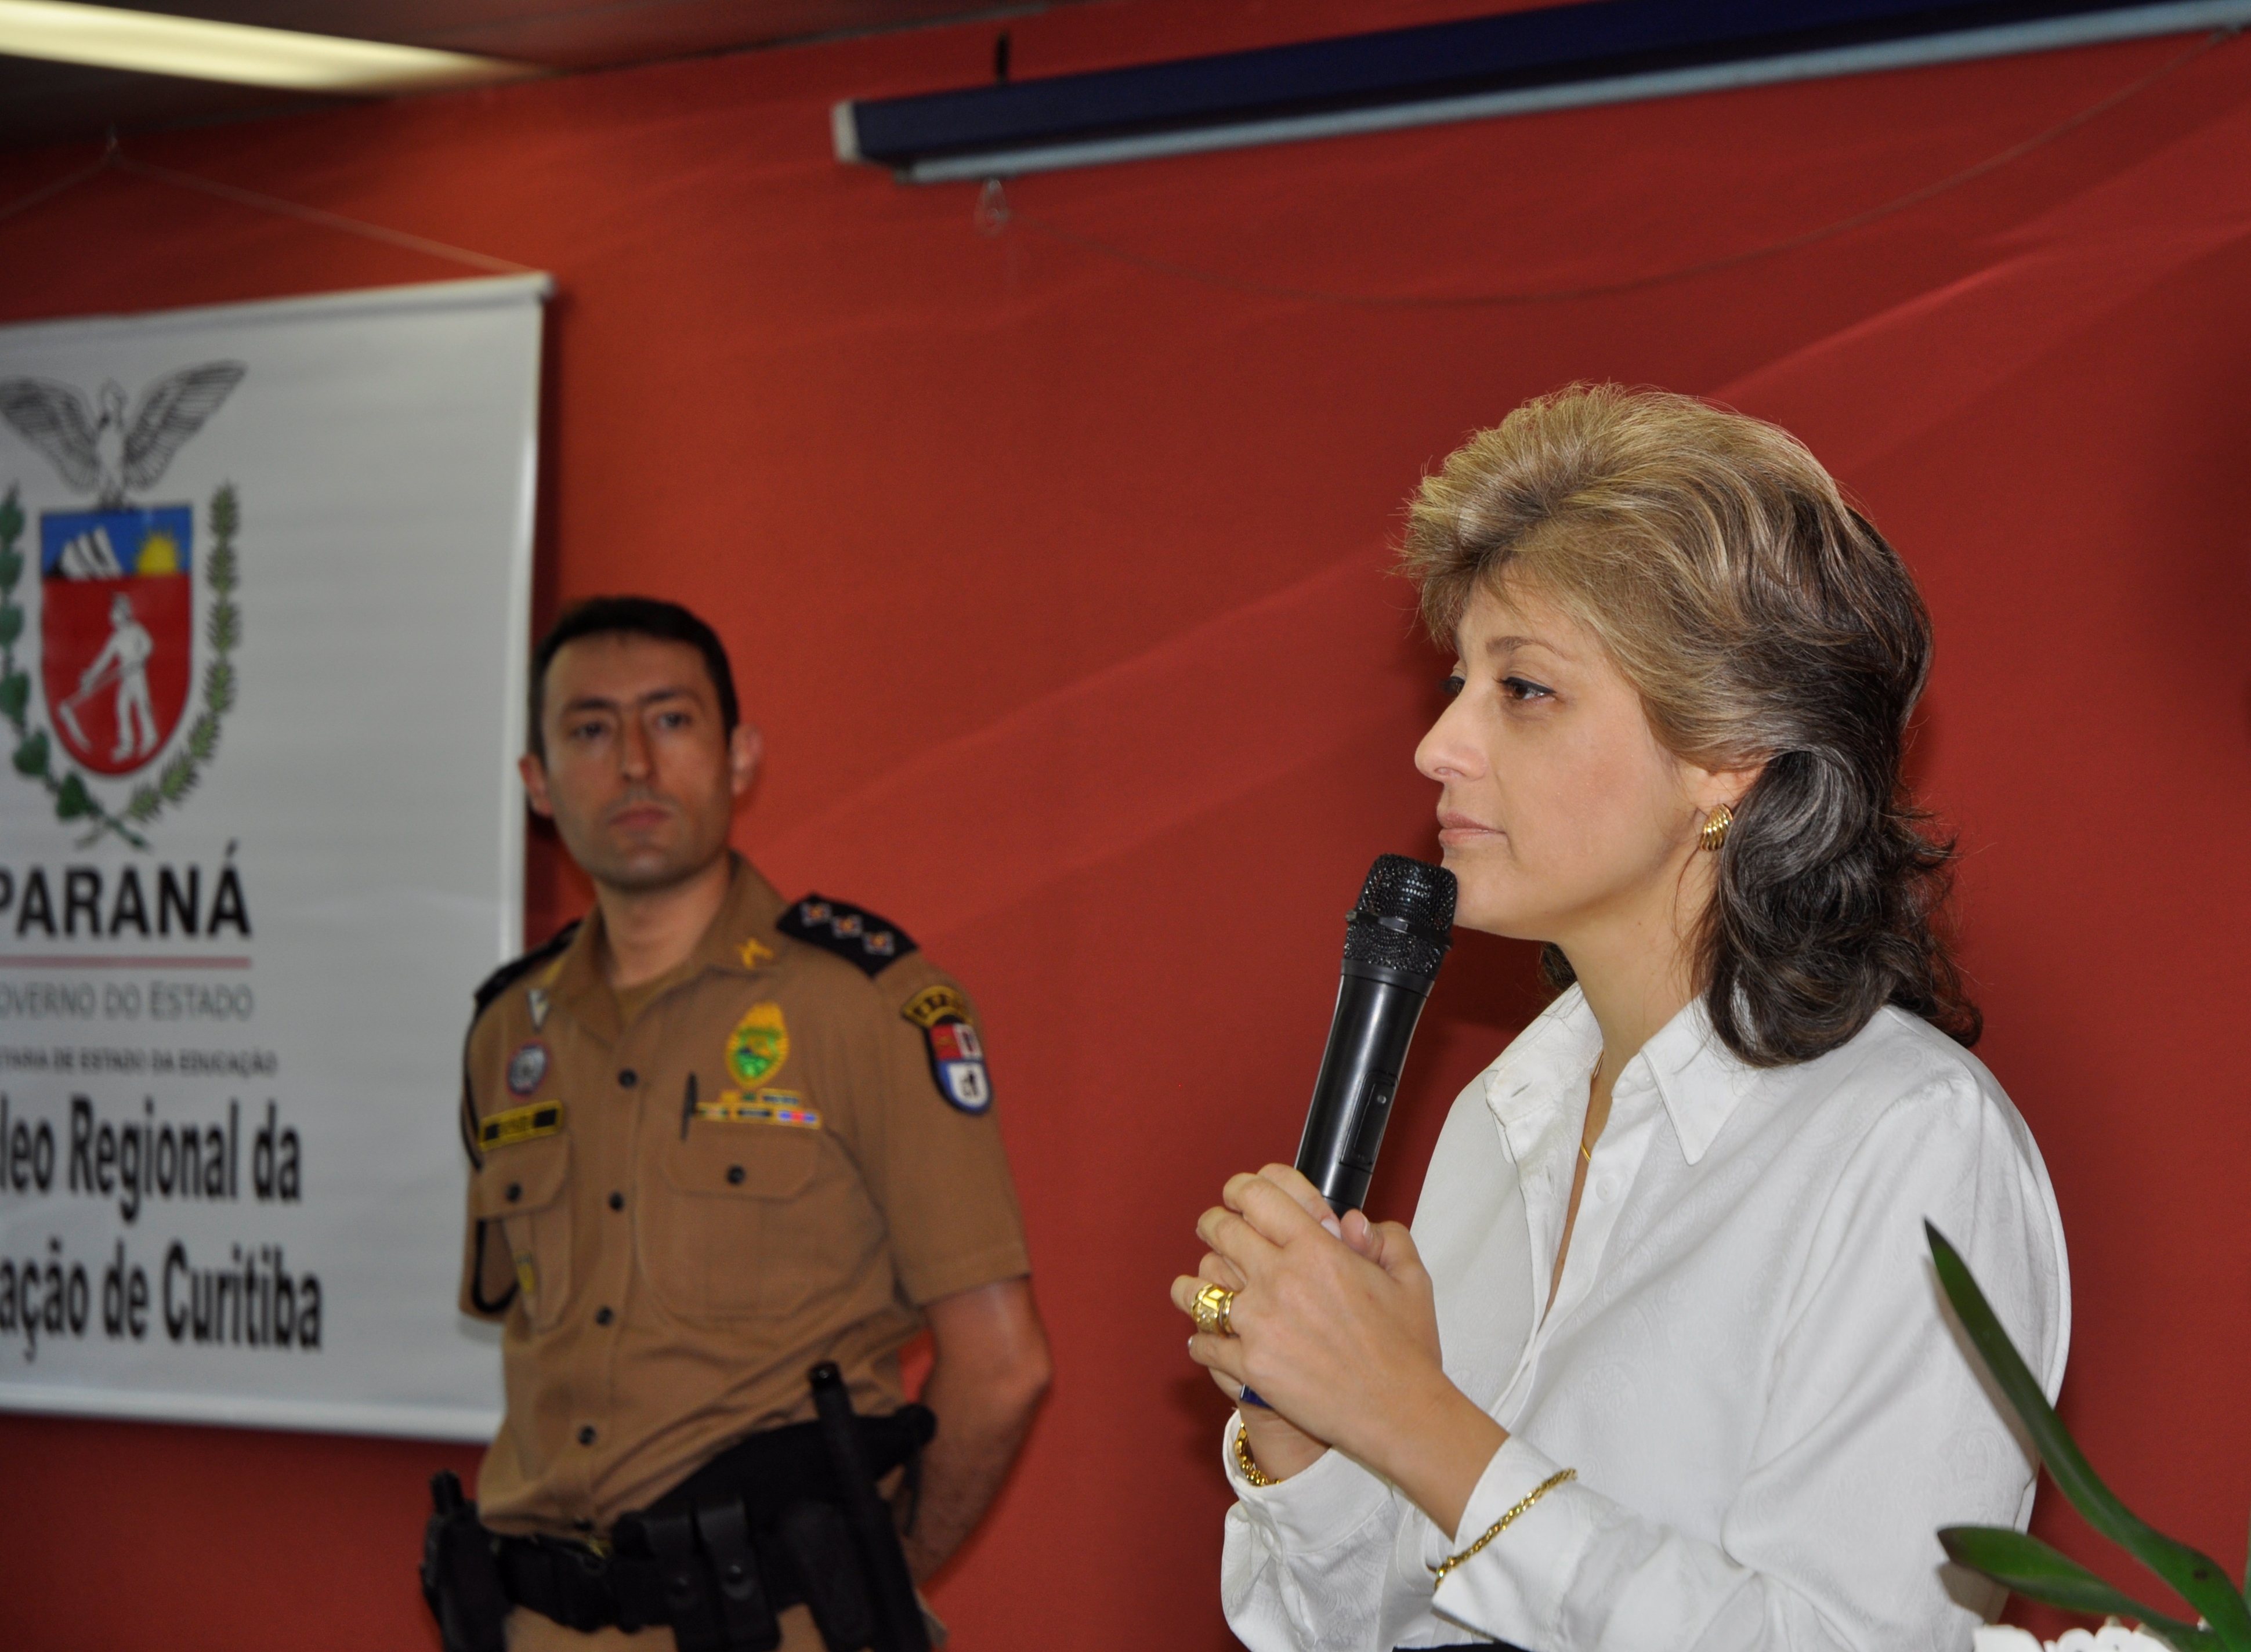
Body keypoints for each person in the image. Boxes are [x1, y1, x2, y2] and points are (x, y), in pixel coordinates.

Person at [1171, 386, 2068, 1651]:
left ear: (1727, 753)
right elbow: (1377, 1623)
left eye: (1523, 689)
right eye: (1455, 680)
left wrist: (1417, 1420)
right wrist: (1315, 1432)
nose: (1437, 744)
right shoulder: (1508, 1110)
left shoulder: (1905, 1140)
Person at [442, 596, 1051, 1652]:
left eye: (671, 721)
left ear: (740, 757)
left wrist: (868, 1575)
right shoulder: (508, 1030)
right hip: (533, 1623)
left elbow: (1003, 1367)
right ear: (538, 782)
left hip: (771, 1627)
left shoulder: (864, 1005)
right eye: (590, 730)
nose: (633, 763)